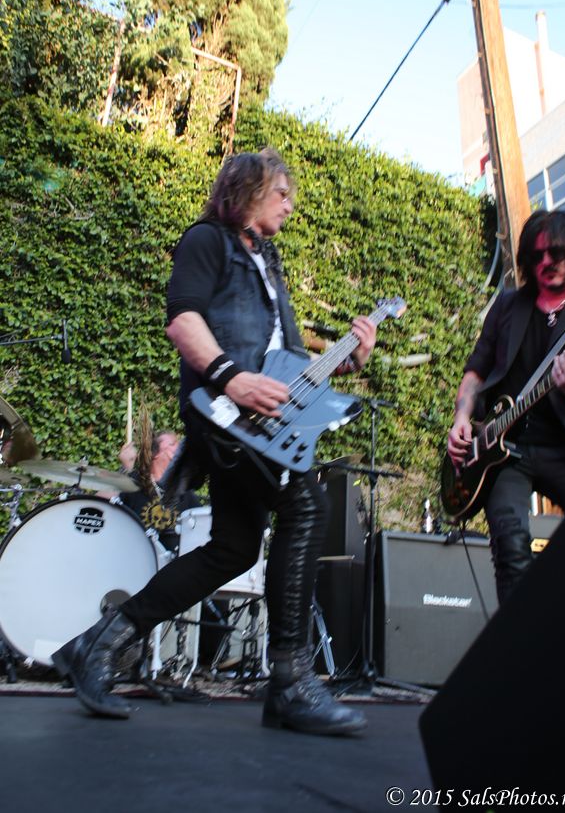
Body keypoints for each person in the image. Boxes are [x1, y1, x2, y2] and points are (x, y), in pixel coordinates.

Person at [53, 148, 377, 735]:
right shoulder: (208, 240)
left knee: (234, 549)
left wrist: (350, 360)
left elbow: (288, 361)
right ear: (247, 190)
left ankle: (95, 645)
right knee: (307, 506)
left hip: (258, 423)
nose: (290, 204)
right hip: (225, 412)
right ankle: (291, 683)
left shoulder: (267, 260)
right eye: (281, 192)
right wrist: (232, 377)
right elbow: (183, 319)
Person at [447, 209, 565, 604]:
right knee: (509, 543)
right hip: (505, 451)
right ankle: (516, 637)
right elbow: (476, 369)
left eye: (556, 253)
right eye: (537, 255)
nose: (547, 262)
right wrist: (462, 418)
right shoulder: (508, 306)